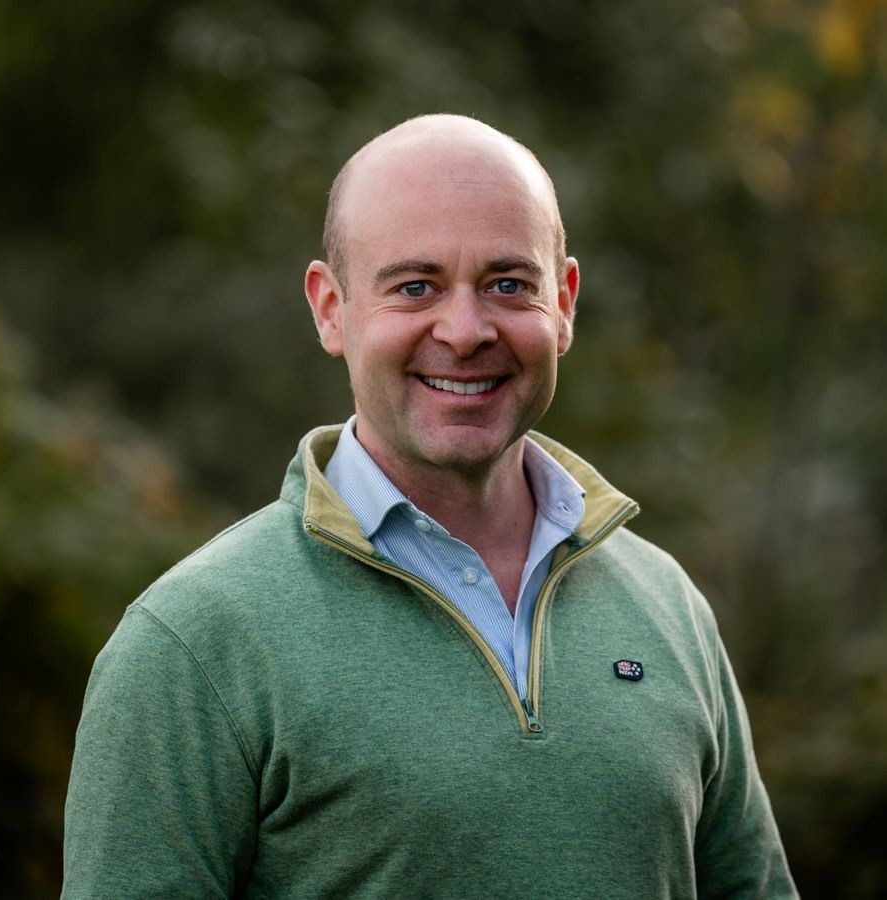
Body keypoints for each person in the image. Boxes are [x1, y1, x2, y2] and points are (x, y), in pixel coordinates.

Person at [63, 114, 797, 898]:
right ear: (329, 309)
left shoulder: (666, 607)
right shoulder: (194, 644)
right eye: (415, 287)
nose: (467, 330)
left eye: (508, 285)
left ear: (566, 304)